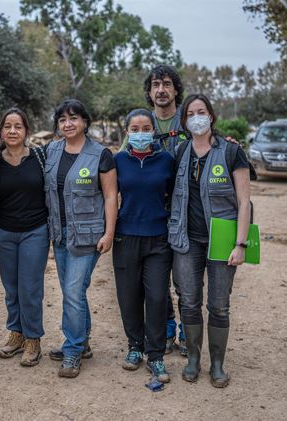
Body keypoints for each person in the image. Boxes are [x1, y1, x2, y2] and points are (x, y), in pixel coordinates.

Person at [169, 94, 250, 388]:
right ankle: (193, 359)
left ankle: (217, 364)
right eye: (190, 113)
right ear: (185, 121)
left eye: (201, 111)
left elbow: (244, 203)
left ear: (212, 116)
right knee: (188, 302)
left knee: (218, 305)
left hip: (222, 241)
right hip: (187, 241)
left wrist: (240, 244)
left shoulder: (231, 152)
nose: (196, 117)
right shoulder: (180, 152)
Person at [45, 99, 117, 378]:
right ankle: (81, 341)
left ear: (85, 122)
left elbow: (111, 195)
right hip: (60, 234)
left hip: (88, 236)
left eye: (73, 118)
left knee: (73, 292)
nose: (68, 124)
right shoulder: (51, 150)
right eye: (62, 119)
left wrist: (109, 232)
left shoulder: (101, 154)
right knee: (72, 292)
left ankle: (73, 350)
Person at [120, 64, 188, 355]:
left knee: (184, 279)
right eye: (156, 85)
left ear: (175, 90)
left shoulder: (188, 120)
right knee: (155, 286)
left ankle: (187, 330)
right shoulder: (141, 124)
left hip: (185, 213)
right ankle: (167, 326)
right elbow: (124, 163)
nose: (161, 90)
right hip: (150, 217)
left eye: (167, 84)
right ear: (149, 92)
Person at [112, 109, 174, 383]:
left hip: (158, 239)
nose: (140, 133)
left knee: (158, 297)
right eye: (135, 129)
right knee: (128, 297)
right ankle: (135, 347)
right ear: (127, 132)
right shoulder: (118, 161)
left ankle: (156, 355)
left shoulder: (166, 160)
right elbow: (109, 198)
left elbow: (175, 195)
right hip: (126, 237)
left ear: (153, 131)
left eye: (146, 128)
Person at [0, 108, 49, 367]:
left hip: (35, 231)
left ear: (26, 130)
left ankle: (33, 338)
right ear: (0, 130)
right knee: (11, 288)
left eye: (18, 126)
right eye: (7, 126)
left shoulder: (40, 156)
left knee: (30, 288)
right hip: (3, 231)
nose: (12, 131)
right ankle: (16, 334)